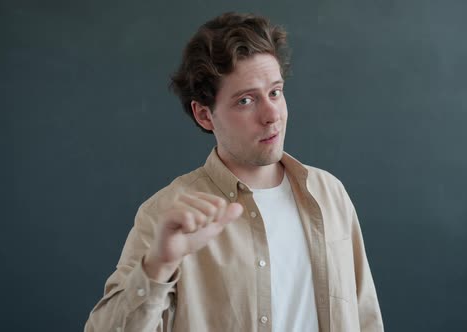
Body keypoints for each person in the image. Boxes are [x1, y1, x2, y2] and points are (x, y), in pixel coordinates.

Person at [85, 12, 384, 332]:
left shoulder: (329, 192)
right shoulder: (166, 215)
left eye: (275, 92)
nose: (272, 115)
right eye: (245, 100)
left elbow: (365, 315)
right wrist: (158, 266)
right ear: (204, 115)